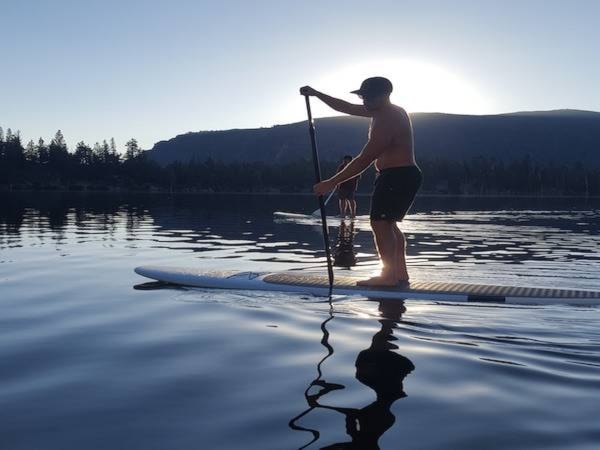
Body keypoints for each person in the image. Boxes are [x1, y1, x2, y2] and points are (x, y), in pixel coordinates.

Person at [301, 77, 422, 287]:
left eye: (369, 96)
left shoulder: (388, 119)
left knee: (380, 224)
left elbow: (364, 159)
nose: (364, 100)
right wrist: (317, 94)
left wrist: (331, 182)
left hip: (397, 176)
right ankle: (400, 275)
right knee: (389, 225)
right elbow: (346, 107)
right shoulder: (381, 111)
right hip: (400, 175)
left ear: (385, 96)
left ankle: (389, 277)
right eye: (362, 95)